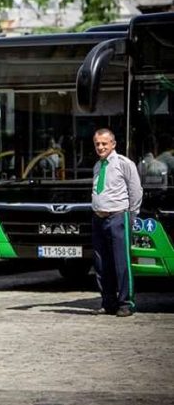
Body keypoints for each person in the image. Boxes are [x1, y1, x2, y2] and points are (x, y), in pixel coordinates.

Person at [91, 128, 143, 317]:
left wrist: (131, 215)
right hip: (98, 218)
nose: (100, 147)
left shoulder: (124, 163)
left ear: (113, 144)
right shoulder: (98, 166)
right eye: (97, 144)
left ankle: (126, 303)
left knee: (122, 263)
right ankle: (108, 302)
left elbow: (136, 191)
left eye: (104, 143)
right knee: (101, 263)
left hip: (118, 217)